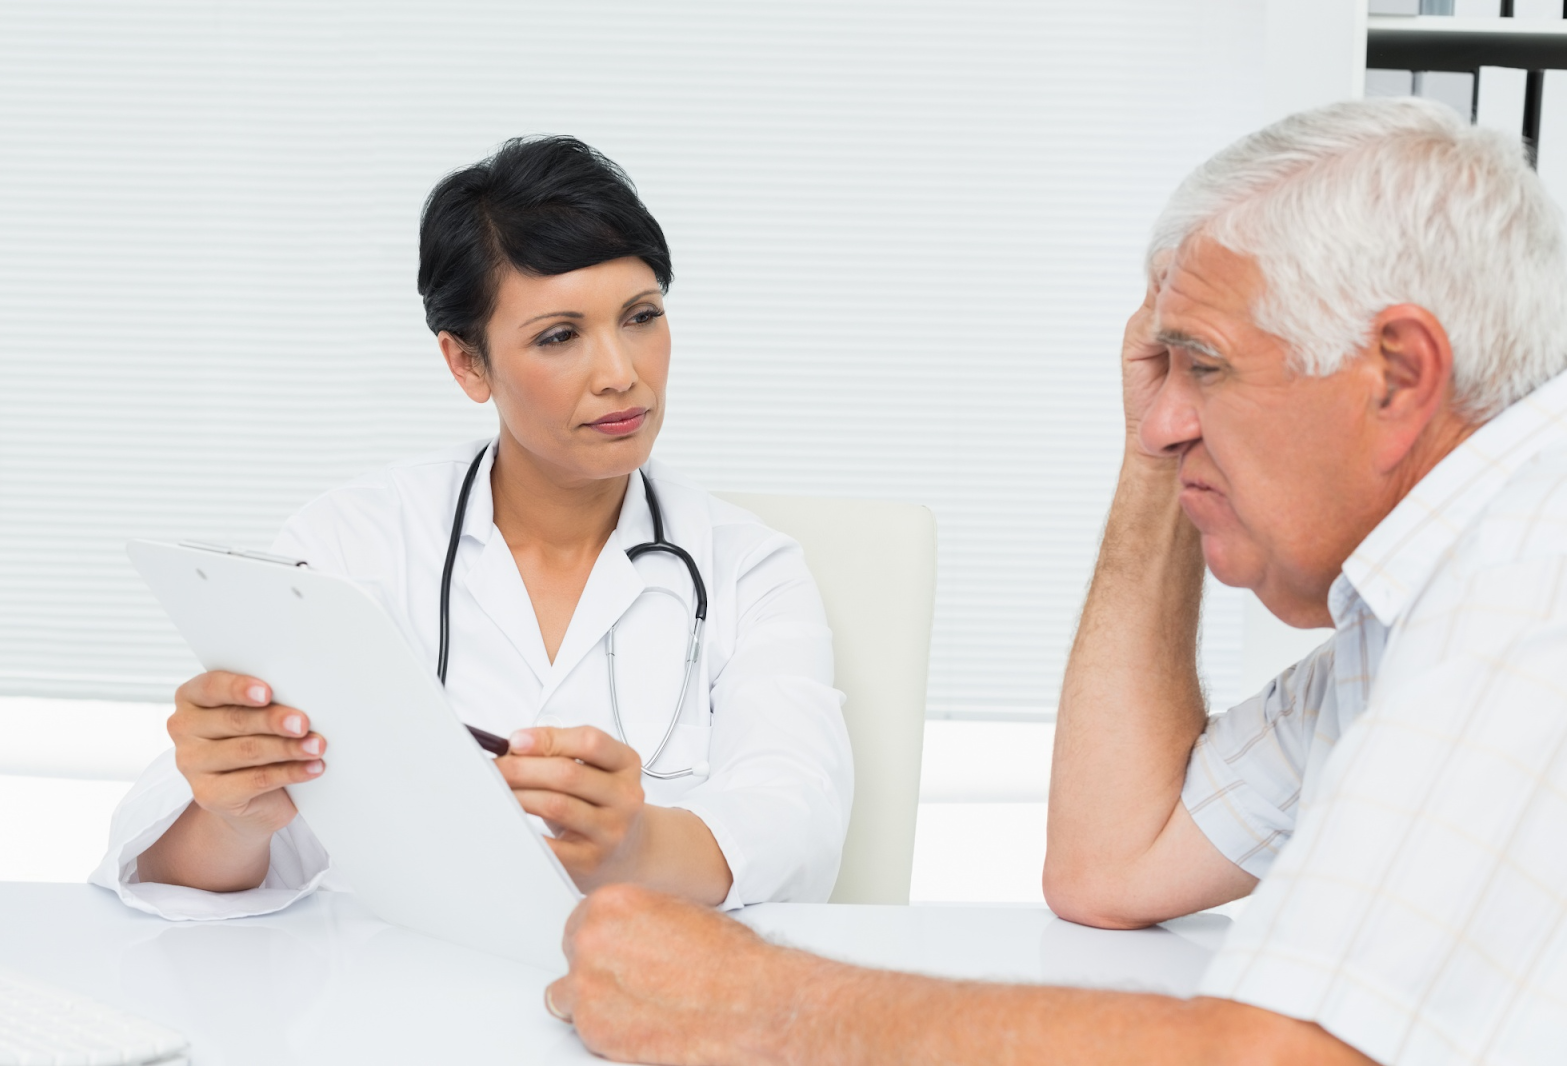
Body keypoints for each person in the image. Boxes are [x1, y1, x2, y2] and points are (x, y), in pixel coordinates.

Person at [543, 99, 1567, 1064]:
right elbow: (1111, 865)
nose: (1163, 421)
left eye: (1203, 365)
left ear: (1395, 373)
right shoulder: (1410, 614)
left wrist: (758, 1005)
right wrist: (1157, 452)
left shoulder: (1523, 587)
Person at [91, 136, 854, 919]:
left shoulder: (749, 567)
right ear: (467, 364)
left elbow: (797, 821)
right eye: (560, 335)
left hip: (645, 1004)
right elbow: (180, 872)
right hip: (394, 999)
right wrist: (231, 812)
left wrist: (635, 850)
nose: (621, 372)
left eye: (641, 317)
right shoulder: (349, 546)